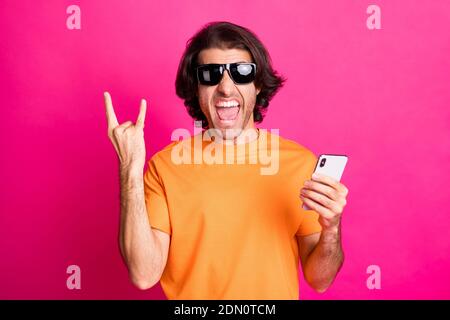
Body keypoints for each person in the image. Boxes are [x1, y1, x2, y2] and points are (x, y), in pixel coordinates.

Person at [104, 21, 349, 300]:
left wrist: (331, 228)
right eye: (210, 74)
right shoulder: (165, 167)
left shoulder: (300, 164)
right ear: (196, 88)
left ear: (257, 85)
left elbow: (320, 280)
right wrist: (130, 169)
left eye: (241, 73)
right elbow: (144, 273)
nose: (226, 88)